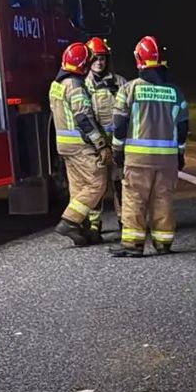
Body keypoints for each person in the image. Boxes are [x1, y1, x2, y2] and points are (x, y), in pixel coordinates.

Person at [109, 36, 189, 257]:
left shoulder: (129, 90)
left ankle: (133, 245)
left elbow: (119, 124)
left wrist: (117, 151)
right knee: (163, 199)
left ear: (139, 60)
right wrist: (180, 154)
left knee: (134, 199)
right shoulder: (175, 92)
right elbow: (183, 128)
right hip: (167, 160)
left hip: (137, 160)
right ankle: (163, 243)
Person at [50, 42, 111, 246]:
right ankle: (69, 221)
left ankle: (80, 230)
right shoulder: (75, 86)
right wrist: (101, 144)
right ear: (83, 65)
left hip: (64, 146)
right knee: (97, 182)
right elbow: (83, 117)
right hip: (79, 145)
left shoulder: (56, 85)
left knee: (78, 188)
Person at [84, 37, 126, 242]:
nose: (99, 62)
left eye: (102, 58)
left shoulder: (119, 82)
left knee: (120, 184)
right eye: (95, 58)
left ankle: (124, 221)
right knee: (97, 185)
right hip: (96, 145)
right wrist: (97, 143)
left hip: (118, 144)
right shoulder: (84, 85)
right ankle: (95, 224)